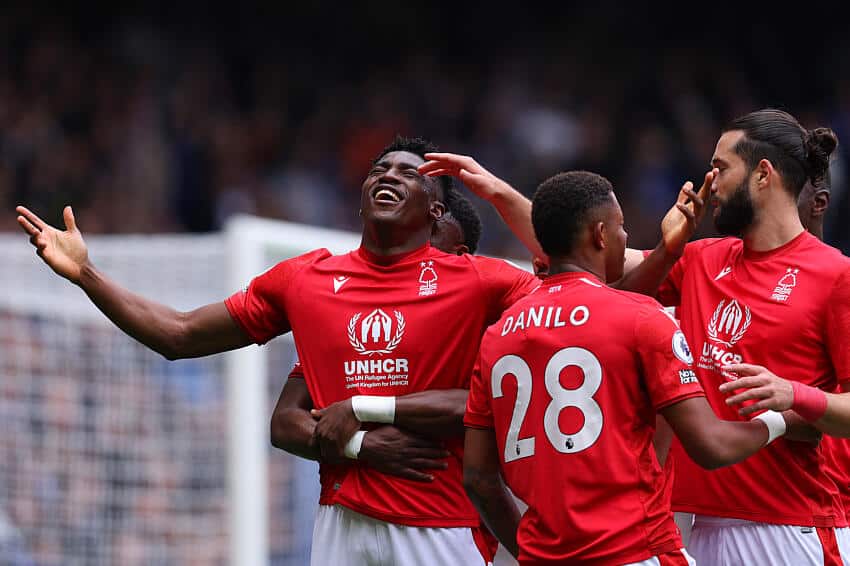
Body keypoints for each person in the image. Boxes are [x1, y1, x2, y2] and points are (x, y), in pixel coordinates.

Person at [16, 135, 539, 566]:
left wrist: (499, 193)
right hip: (341, 526)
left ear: (436, 210)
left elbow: (579, 278)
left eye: (409, 173)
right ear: (360, 198)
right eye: (380, 168)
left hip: (439, 526)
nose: (389, 175)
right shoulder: (307, 280)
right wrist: (86, 274)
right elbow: (177, 333)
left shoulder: (478, 282)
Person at [462, 170, 786, 564]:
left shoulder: (497, 337)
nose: (626, 237)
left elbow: (478, 476)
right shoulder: (642, 318)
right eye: (621, 227)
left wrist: (531, 552)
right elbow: (711, 446)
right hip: (635, 550)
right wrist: (782, 418)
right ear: (600, 235)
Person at [651, 109, 850, 565]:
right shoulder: (700, 259)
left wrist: (793, 394)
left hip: (789, 529)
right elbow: (588, 260)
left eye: (721, 168)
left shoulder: (836, 275)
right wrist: (495, 189)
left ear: (763, 174)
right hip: (700, 526)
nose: (709, 181)